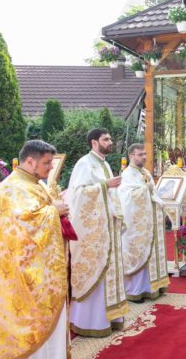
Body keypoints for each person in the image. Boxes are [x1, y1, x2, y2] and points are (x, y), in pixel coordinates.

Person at [0, 140, 69, 358]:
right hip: (22, 274)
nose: (51, 167)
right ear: (30, 161)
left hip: (43, 270)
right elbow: (24, 224)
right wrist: (53, 211)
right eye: (47, 163)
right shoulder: (12, 187)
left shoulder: (36, 183)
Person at [68, 128, 128, 337]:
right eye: (106, 139)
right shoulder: (84, 163)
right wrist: (104, 185)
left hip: (107, 228)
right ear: (94, 142)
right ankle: (89, 321)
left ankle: (110, 317)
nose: (110, 142)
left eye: (110, 139)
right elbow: (77, 194)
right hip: (93, 233)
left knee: (108, 270)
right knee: (95, 269)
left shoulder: (105, 164)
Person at [119, 143, 169, 302]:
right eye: (140, 154)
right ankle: (135, 291)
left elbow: (153, 192)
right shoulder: (127, 174)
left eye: (145, 154)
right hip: (136, 224)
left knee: (151, 253)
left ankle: (153, 287)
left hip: (150, 220)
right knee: (139, 253)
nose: (144, 157)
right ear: (131, 156)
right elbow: (126, 198)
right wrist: (145, 189)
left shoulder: (145, 172)